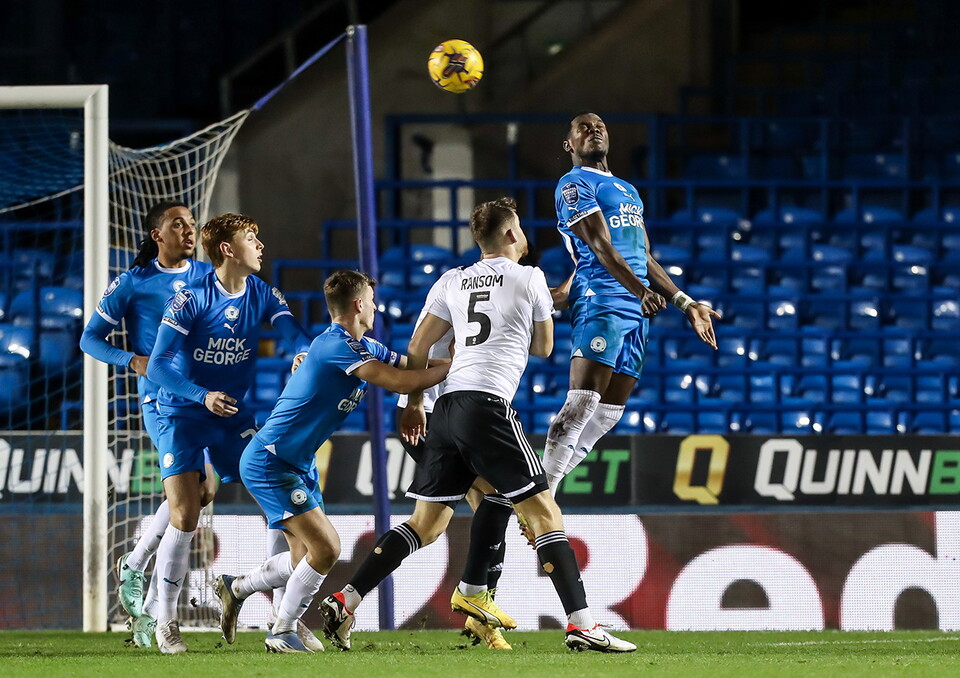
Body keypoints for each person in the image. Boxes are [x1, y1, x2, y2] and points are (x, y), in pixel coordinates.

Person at [319, 198, 637, 653]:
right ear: (510, 234)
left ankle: (346, 599)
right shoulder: (531, 277)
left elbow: (417, 344)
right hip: (487, 406)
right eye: (521, 227)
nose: (525, 235)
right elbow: (545, 347)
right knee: (544, 511)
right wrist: (537, 309)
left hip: (444, 409)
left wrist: (413, 401)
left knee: (427, 525)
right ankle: (582, 624)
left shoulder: (452, 280)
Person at [212, 270, 450, 653]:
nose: (375, 307)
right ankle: (282, 629)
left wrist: (446, 360)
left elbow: (411, 366)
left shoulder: (363, 345)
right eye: (371, 301)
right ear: (358, 305)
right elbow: (402, 383)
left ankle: (236, 587)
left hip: (296, 463)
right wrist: (455, 367)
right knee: (326, 549)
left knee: (301, 558)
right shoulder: (335, 346)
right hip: (271, 461)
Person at [146, 213, 312, 653]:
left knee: (279, 499)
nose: (260, 244)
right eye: (251, 238)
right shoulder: (189, 299)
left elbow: (294, 333)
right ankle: (165, 620)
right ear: (226, 250)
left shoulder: (262, 292)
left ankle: (283, 614)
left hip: (234, 416)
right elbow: (159, 365)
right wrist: (201, 396)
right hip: (183, 411)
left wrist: (299, 353)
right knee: (185, 512)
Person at [542, 112, 721, 495]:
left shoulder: (627, 190)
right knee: (580, 404)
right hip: (601, 299)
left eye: (600, 126)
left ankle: (541, 486)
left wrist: (684, 302)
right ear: (569, 145)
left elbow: (644, 256)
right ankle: (540, 498)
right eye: (583, 129)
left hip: (637, 312)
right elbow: (600, 245)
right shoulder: (573, 183)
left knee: (608, 412)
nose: (594, 131)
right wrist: (641, 292)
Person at [79, 200, 217, 648]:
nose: (189, 230)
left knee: (199, 494)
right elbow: (89, 339)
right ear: (157, 234)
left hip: (205, 399)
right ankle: (160, 611)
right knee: (188, 503)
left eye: (192, 224)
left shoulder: (206, 277)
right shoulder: (133, 283)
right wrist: (131, 359)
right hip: (162, 400)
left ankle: (136, 565)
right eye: (178, 224)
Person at [396, 275, 516, 650]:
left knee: (473, 514)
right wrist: (416, 403)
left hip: (448, 423)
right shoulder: (448, 352)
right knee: (498, 499)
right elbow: (415, 360)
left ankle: (481, 615)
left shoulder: (474, 349)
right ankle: (476, 604)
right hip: (433, 424)